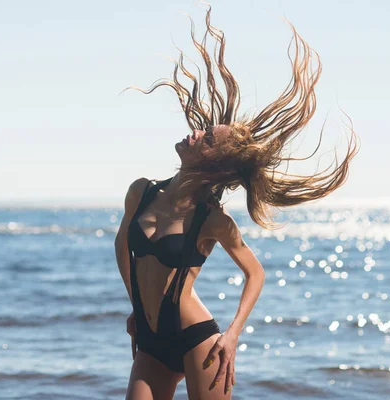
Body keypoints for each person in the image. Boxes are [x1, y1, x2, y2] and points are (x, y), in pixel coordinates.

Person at [114, 5, 360, 399]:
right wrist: (137, 308)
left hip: (198, 340)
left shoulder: (212, 220)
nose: (197, 133)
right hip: (151, 342)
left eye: (208, 139)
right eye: (204, 130)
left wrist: (231, 336)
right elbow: (121, 246)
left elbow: (255, 274)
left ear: (215, 166)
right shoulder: (140, 191)